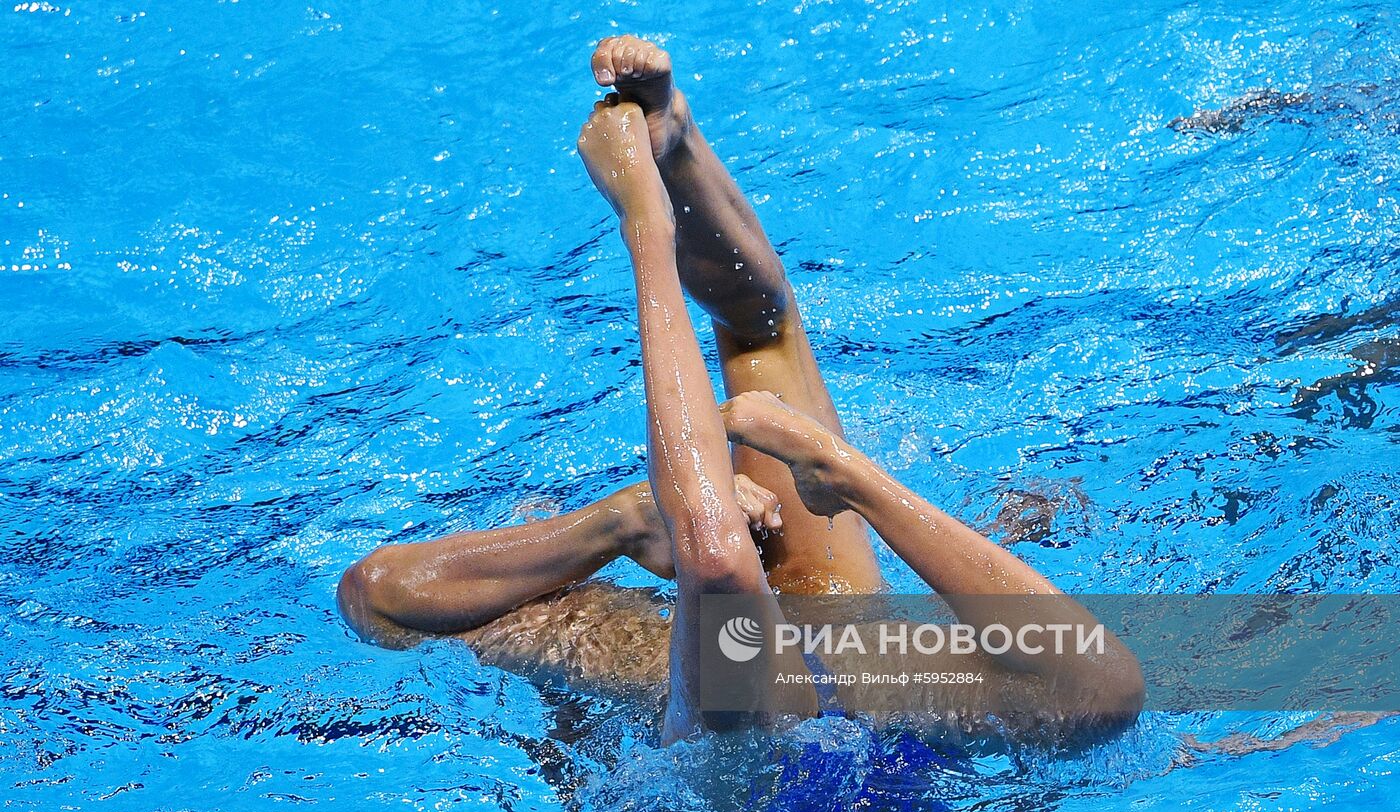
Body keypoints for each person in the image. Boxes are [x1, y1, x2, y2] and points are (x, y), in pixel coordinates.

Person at [337, 36, 1144, 746]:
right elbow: (1100, 689)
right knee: (761, 337)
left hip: (736, 705)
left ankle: (666, 181)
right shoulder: (874, 691)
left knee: (711, 553)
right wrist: (844, 474)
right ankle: (675, 139)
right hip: (843, 655)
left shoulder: (688, 724)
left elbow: (376, 597)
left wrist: (643, 224)